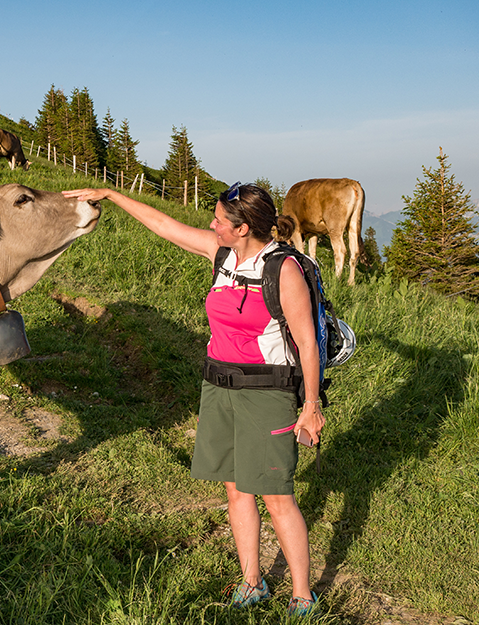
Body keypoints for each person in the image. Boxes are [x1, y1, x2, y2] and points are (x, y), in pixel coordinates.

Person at [63, 182, 322, 615]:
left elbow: (307, 344)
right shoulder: (221, 255)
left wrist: (310, 407)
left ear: (242, 229)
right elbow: (163, 225)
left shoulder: (282, 271)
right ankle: (252, 582)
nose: (211, 224)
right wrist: (110, 194)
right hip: (218, 387)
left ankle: (301, 595)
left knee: (277, 495)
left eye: (219, 220)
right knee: (237, 489)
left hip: (267, 392)